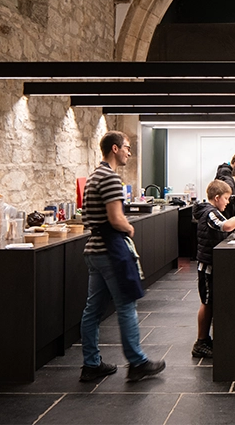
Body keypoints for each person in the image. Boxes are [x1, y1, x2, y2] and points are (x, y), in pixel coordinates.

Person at [79, 131, 166, 383]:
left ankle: (91, 364)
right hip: (110, 251)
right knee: (126, 305)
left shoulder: (94, 175)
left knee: (92, 310)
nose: (130, 152)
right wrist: (129, 228)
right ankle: (137, 362)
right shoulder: (111, 178)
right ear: (115, 148)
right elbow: (116, 219)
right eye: (127, 147)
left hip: (94, 250)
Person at [191, 179, 235, 358]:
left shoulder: (213, 210)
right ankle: (200, 342)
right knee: (207, 303)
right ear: (216, 198)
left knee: (211, 302)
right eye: (225, 198)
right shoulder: (210, 213)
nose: (227, 202)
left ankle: (206, 338)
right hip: (207, 266)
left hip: (212, 263)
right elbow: (227, 226)